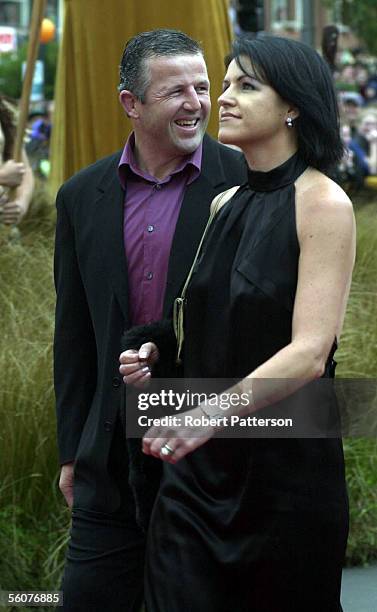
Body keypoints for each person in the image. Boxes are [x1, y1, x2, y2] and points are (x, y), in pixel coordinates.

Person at [120, 35, 356, 611]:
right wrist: (155, 354)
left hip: (285, 479)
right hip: (196, 476)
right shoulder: (224, 204)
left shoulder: (324, 203)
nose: (221, 99)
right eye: (224, 85)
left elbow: (309, 352)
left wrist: (203, 416)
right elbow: (203, 323)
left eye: (246, 86)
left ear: (294, 105)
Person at [53, 28, 246, 612]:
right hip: (109, 458)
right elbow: (76, 335)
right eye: (175, 91)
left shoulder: (246, 184)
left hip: (211, 451)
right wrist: (72, 452)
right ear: (130, 104)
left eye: (203, 86)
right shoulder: (80, 195)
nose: (196, 103)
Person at [0, 95, 34, 225]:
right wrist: (2, 177)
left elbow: (24, 169)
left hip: (4, 227)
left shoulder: (5, 109)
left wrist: (21, 204)